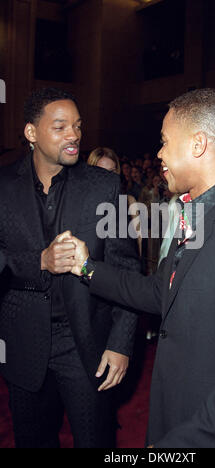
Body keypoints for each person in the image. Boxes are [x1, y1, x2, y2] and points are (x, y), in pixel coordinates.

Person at [68, 88, 215, 448]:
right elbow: (161, 293)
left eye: (164, 142)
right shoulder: (198, 212)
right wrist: (87, 268)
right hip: (177, 412)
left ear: (198, 144)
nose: (158, 154)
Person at [0, 88, 140, 448]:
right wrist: (39, 262)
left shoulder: (104, 186)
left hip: (85, 345)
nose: (74, 135)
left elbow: (126, 269)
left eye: (77, 126)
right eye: (60, 126)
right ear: (32, 133)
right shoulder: (3, 187)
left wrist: (121, 343)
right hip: (22, 343)